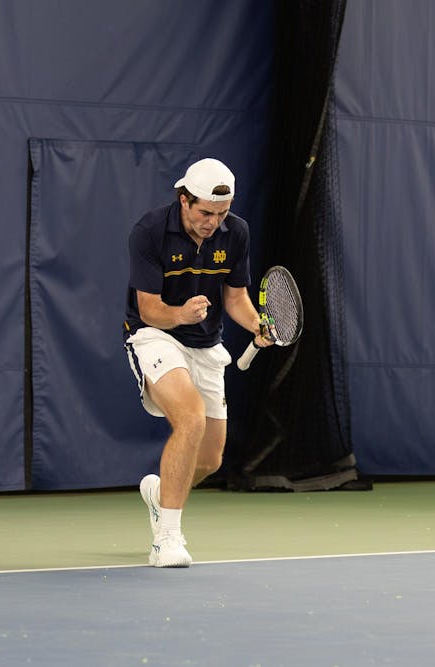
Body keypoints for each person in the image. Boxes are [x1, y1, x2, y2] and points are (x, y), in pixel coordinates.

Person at [123, 158, 273, 567]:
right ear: (184, 199)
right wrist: (181, 315)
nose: (213, 222)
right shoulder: (150, 231)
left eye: (221, 214)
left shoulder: (236, 232)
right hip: (156, 334)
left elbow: (236, 298)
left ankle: (160, 496)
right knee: (189, 417)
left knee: (209, 460)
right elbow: (149, 309)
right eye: (205, 212)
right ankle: (166, 539)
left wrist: (257, 326)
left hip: (206, 345)